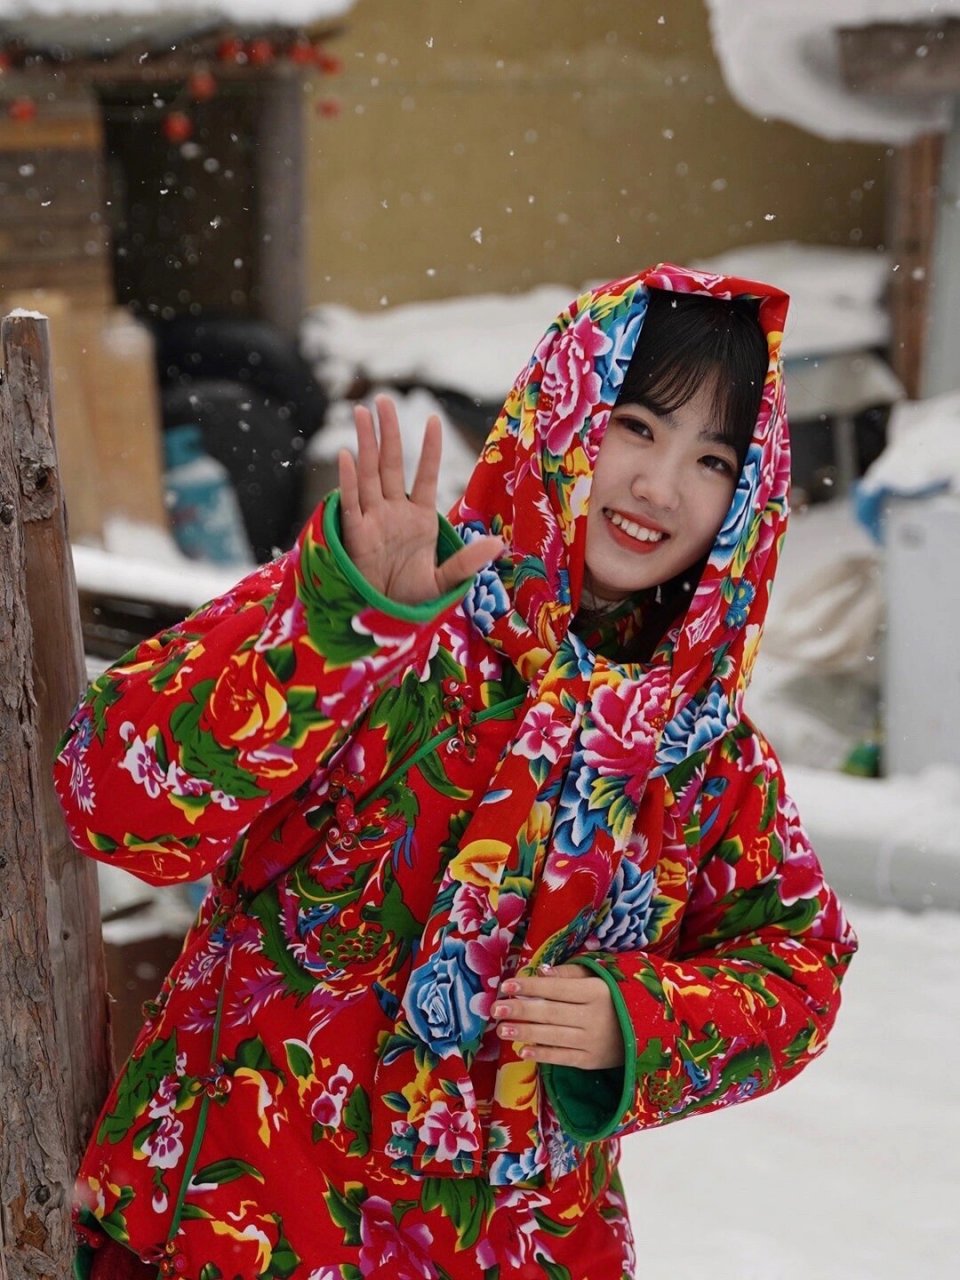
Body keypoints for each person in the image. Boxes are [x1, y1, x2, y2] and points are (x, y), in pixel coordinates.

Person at [55, 263, 857, 1280]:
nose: (660, 485)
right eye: (638, 427)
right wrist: (335, 627)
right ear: (565, 413)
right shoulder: (397, 618)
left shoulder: (703, 752)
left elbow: (798, 965)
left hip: (517, 1251)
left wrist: (638, 1018)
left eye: (712, 459)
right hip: (236, 1226)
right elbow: (112, 802)